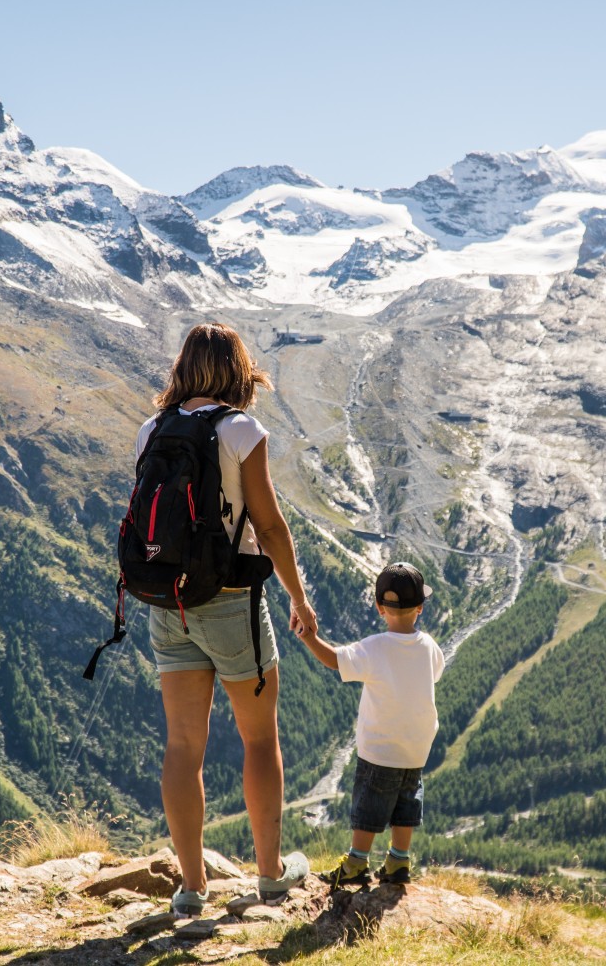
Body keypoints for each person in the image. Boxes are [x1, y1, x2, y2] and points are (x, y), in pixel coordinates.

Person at [139, 322, 316, 916]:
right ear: (238, 370)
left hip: (170, 602)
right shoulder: (242, 429)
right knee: (259, 738)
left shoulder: (152, 429)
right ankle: (269, 875)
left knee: (183, 744)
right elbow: (267, 526)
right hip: (233, 601)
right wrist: (298, 596)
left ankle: (190, 890)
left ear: (184, 367)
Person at [296, 561, 445, 886]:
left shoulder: (374, 647)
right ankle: (398, 862)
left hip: (380, 747)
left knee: (369, 804)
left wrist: (309, 638)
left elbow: (335, 660)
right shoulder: (429, 645)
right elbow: (436, 674)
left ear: (379, 608)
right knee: (407, 801)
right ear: (420, 607)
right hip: (416, 747)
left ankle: (356, 864)